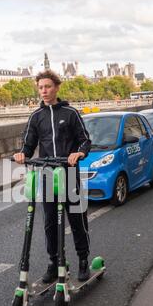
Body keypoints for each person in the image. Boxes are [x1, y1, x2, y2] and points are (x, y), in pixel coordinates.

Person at [14, 69, 91, 282]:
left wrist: (79, 152)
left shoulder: (70, 113)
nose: (44, 91)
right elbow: (28, 145)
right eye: (40, 87)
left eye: (47, 86)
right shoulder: (36, 117)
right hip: (47, 175)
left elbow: (85, 140)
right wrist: (22, 154)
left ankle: (83, 260)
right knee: (50, 223)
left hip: (69, 174)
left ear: (56, 88)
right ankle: (54, 261)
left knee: (77, 219)